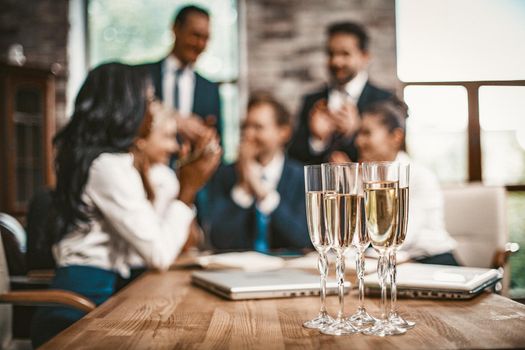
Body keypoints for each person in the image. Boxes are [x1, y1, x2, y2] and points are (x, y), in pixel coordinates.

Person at [30, 62, 221, 347]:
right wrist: (188, 190)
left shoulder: (100, 161)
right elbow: (158, 253)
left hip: (96, 294)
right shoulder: (108, 166)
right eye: (148, 99)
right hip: (79, 309)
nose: (152, 108)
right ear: (126, 106)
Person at [201, 93, 311, 251]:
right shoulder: (225, 174)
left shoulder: (300, 177)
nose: (248, 135)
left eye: (258, 127)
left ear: (283, 132)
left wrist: (263, 194)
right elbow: (218, 239)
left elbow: (303, 239)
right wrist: (243, 187)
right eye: (246, 126)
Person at [355, 99, 458, 265]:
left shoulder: (419, 176)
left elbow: (399, 236)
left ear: (396, 137)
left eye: (367, 133)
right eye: (358, 133)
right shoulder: (361, 176)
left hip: (432, 262)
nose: (358, 141)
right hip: (384, 262)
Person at [288, 21, 393, 164]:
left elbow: (391, 156)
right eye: (331, 54)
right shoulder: (311, 100)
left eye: (345, 54)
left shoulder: (384, 100)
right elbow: (293, 158)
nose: (336, 61)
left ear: (365, 56)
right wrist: (317, 140)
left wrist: (357, 131)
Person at [142, 5, 222, 142]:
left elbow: (219, 143)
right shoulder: (142, 76)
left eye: (206, 38)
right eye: (195, 35)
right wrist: (175, 120)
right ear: (176, 29)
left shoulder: (210, 90)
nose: (200, 44)